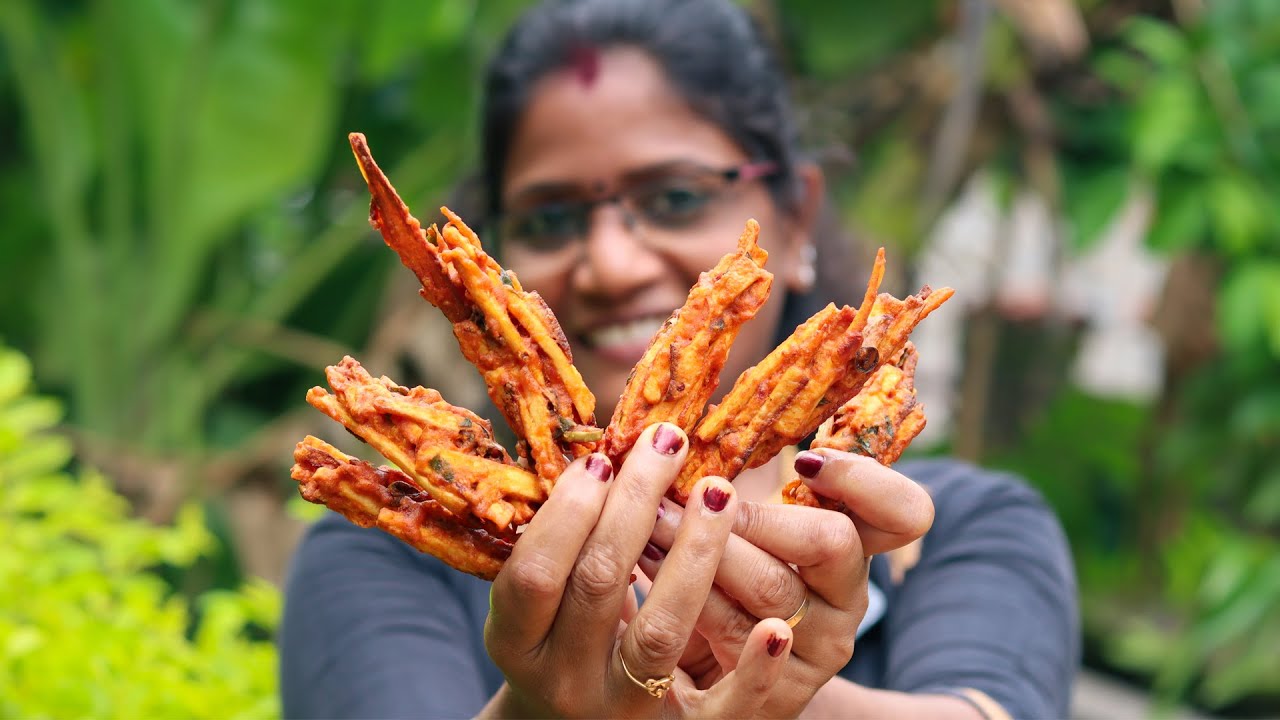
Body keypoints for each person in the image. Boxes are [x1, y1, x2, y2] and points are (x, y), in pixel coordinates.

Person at [279, 1, 1079, 717]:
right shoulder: (393, 537)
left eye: (676, 197)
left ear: (796, 217)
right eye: (551, 216)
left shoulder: (965, 526)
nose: (612, 263)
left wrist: (766, 682)